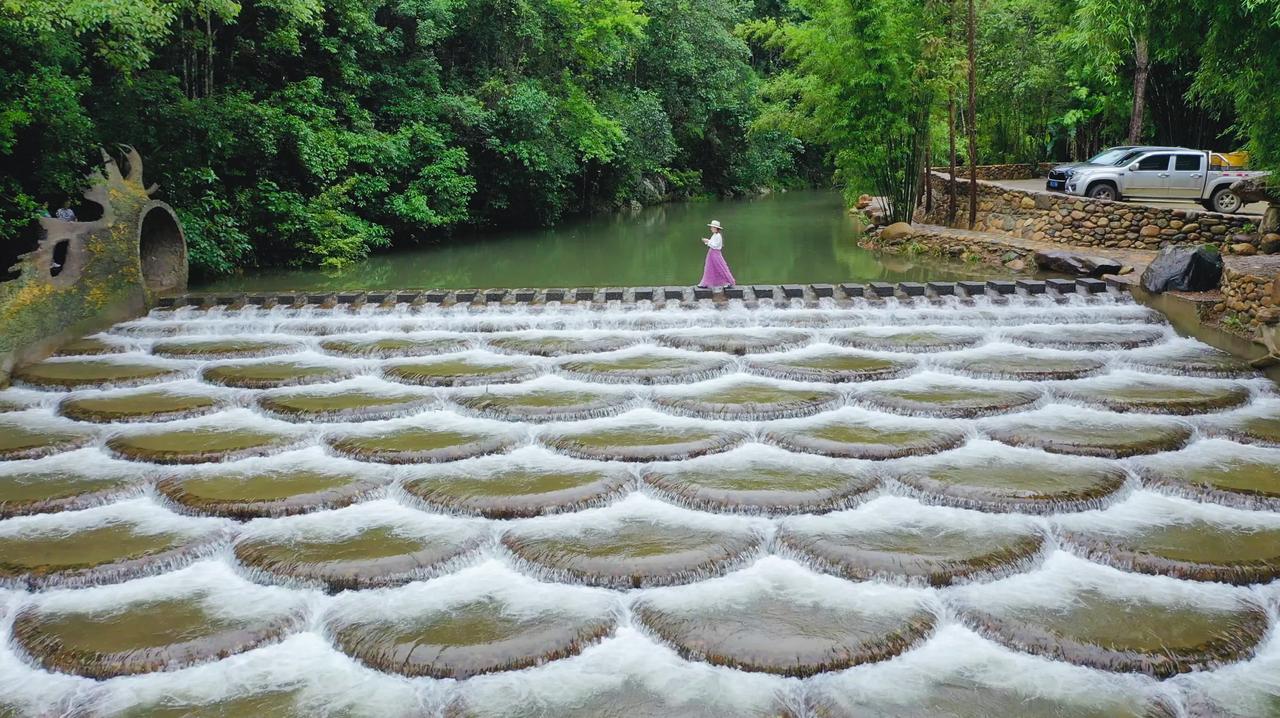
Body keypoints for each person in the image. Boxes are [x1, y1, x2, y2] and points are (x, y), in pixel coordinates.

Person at [697, 219, 736, 289]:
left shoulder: (718, 236)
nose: (711, 228)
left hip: (715, 254)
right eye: (711, 227)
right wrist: (708, 241)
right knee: (709, 268)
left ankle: (728, 282)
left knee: (721, 267)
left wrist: (707, 242)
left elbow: (715, 245)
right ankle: (705, 283)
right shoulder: (715, 235)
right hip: (712, 253)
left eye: (712, 227)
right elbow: (712, 243)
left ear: (716, 228)